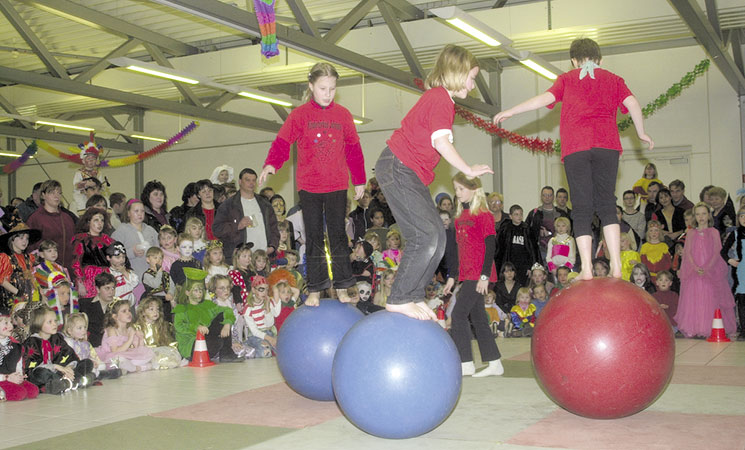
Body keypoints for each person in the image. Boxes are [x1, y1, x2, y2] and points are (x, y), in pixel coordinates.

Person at [494, 38, 653, 281]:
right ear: (599, 59)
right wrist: (641, 132)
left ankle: (587, 269)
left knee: (581, 208)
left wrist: (511, 111)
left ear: (573, 61)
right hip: (606, 146)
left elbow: (544, 99)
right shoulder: (613, 79)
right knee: (607, 205)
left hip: (576, 148)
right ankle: (617, 268)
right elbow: (632, 103)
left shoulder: (567, 79)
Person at [374, 45, 492, 320]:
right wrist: (467, 169)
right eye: (471, 78)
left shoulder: (441, 100)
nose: (473, 86)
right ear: (457, 73)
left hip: (407, 171)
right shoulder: (440, 98)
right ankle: (399, 298)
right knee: (426, 236)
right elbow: (441, 142)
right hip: (398, 166)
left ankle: (413, 295)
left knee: (437, 238)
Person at [259, 63, 366, 307]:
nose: (327, 94)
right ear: (311, 87)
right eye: (322, 88)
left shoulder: (343, 115)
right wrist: (271, 164)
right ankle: (316, 289)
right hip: (310, 186)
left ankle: (341, 286)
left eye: (332, 88)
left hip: (337, 185)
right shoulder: (300, 115)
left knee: (338, 235)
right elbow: (283, 141)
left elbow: (353, 149)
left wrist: (359, 179)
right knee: (314, 236)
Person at [443, 172, 503, 377]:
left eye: (461, 189)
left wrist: (485, 275)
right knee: (478, 318)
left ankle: (466, 362)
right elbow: (460, 251)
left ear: (473, 189)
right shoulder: (459, 218)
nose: (457, 193)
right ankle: (495, 362)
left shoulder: (483, 214)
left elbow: (490, 245)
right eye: (456, 189)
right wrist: (453, 276)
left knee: (458, 315)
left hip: (479, 275)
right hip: (467, 274)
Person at [675, 203, 737, 338]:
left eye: (704, 214)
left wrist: (706, 267)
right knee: (695, 299)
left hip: (710, 272)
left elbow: (717, 252)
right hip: (694, 272)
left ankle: (710, 327)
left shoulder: (714, 232)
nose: (701, 217)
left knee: (709, 298)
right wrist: (695, 267)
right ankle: (694, 327)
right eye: (698, 214)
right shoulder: (691, 233)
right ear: (694, 216)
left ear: (709, 215)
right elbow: (688, 253)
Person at [23, 305, 95, 394]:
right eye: (50, 322)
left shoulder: (57, 338)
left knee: (87, 363)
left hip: (61, 373)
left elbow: (69, 355)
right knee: (41, 373)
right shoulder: (31, 342)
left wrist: (68, 368)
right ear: (39, 323)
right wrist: (56, 367)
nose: (55, 324)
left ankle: (66, 382)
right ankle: (74, 381)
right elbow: (30, 368)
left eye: (55, 321)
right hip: (46, 375)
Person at [213, 168, 279, 265]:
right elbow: (217, 229)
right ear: (240, 182)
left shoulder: (265, 204)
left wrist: (272, 247)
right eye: (247, 180)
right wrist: (237, 225)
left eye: (253, 180)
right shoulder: (228, 205)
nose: (251, 183)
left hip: (263, 257)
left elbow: (274, 228)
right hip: (239, 259)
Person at [174, 268, 240, 362]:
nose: (199, 294)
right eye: (196, 291)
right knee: (217, 342)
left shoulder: (207, 304)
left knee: (222, 315)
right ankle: (201, 355)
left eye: (201, 291)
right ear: (187, 292)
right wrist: (196, 327)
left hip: (207, 340)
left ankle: (226, 354)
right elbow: (179, 326)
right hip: (191, 346)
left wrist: (227, 324)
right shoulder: (181, 308)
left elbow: (227, 310)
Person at [26, 180, 77, 274]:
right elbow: (31, 248)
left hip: (69, 271)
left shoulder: (68, 218)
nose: (56, 196)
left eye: (59, 193)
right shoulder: (35, 218)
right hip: (45, 272)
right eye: (52, 192)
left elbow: (74, 245)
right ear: (43, 195)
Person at [111, 199, 159, 291]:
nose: (140, 214)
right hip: (131, 279)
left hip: (151, 278)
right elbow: (113, 254)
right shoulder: (121, 230)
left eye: (142, 211)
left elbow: (159, 250)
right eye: (136, 211)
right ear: (128, 213)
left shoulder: (150, 230)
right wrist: (132, 252)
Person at [96, 299, 154, 373]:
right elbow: (115, 351)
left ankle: (130, 367)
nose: (128, 313)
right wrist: (130, 338)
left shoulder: (129, 329)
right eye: (124, 311)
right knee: (120, 360)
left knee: (148, 354)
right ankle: (138, 368)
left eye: (129, 310)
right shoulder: (112, 330)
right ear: (115, 317)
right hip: (110, 356)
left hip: (124, 355)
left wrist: (141, 338)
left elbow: (138, 349)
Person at [62, 313, 122, 380]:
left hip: (87, 366)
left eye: (85, 327)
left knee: (101, 366)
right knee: (87, 368)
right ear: (69, 331)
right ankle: (96, 376)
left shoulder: (85, 344)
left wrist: (94, 361)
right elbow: (67, 360)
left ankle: (99, 374)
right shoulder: (68, 343)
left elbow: (90, 356)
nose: (84, 330)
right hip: (74, 368)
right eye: (79, 328)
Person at [71, 208, 114, 298]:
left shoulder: (108, 241)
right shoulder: (81, 240)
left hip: (106, 277)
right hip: (89, 278)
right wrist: (80, 283)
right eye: (96, 220)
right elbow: (76, 263)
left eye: (102, 220)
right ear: (88, 222)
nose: (100, 223)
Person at [0, 307, 40, 401]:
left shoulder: (15, 345)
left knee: (33, 391)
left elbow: (18, 362)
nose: (11, 326)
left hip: (11, 377)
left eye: (10, 322)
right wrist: (6, 378)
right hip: (2, 379)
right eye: (6, 323)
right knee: (19, 394)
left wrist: (19, 375)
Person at [496, 205, 541, 287]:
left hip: (523, 265)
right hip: (510, 263)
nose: (519, 216)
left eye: (521, 214)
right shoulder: (505, 229)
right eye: (516, 214)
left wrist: (531, 266)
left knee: (522, 286)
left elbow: (533, 250)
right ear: (510, 216)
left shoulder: (527, 229)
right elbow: (500, 249)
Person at [133, 297, 183, 369]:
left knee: (171, 357)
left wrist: (173, 349)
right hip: (145, 352)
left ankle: (158, 363)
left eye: (157, 309)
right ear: (143, 312)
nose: (155, 312)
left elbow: (168, 341)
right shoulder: (137, 327)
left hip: (158, 351)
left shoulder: (161, 325)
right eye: (151, 309)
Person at [0, 223, 41, 309]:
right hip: (11, 301)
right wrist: (18, 293)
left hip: (29, 298)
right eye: (21, 238)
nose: (25, 241)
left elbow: (33, 277)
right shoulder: (5, 258)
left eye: (27, 238)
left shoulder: (29, 258)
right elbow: (2, 281)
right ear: (12, 239)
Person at [240, 275, 279, 358]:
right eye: (261, 289)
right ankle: (247, 347)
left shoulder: (268, 302)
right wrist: (269, 339)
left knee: (282, 350)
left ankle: (265, 345)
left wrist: (267, 308)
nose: (264, 293)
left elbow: (269, 324)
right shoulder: (248, 308)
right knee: (265, 353)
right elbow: (254, 331)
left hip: (269, 332)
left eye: (266, 290)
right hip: (256, 335)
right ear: (253, 290)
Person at [526, 186, 568, 263]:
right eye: (545, 195)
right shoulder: (534, 214)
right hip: (539, 251)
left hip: (558, 251)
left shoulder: (562, 214)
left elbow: (569, 232)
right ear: (541, 197)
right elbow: (527, 232)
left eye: (549, 195)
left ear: (553, 197)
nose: (547, 197)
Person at [78, 272, 118, 347]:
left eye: (113, 288)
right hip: (91, 346)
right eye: (107, 288)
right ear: (98, 289)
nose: (111, 292)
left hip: (114, 346)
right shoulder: (84, 304)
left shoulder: (118, 306)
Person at [142, 247, 176, 322]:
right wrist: (159, 273)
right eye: (155, 258)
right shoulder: (147, 275)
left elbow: (172, 285)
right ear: (148, 259)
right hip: (154, 303)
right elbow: (156, 284)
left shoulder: (166, 274)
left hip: (166, 302)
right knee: (156, 322)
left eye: (160, 258)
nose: (158, 260)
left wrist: (170, 293)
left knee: (167, 321)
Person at [105, 242, 139, 306]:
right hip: (116, 306)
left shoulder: (128, 271)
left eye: (123, 257)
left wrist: (124, 272)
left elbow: (135, 283)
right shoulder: (107, 273)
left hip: (129, 305)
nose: (121, 260)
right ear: (108, 258)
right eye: (118, 257)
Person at [228, 243, 255, 309]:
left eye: (249, 256)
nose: (248, 258)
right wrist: (238, 302)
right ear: (237, 258)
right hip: (243, 302)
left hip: (254, 300)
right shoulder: (235, 274)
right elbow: (235, 289)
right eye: (244, 256)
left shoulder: (253, 272)